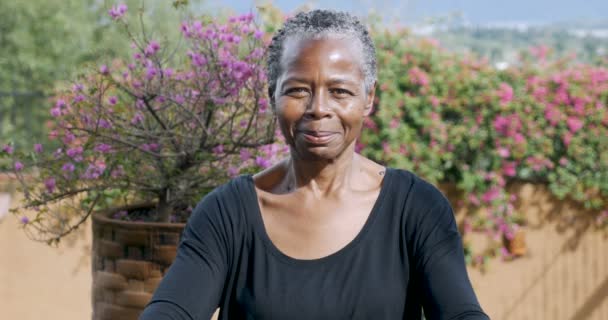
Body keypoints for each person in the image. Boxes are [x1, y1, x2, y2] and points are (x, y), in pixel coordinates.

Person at [140, 9, 489, 320]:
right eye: (297, 90)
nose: (318, 108)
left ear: (368, 98)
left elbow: (460, 312)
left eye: (339, 91)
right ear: (272, 95)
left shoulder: (416, 210)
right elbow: (174, 309)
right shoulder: (227, 215)